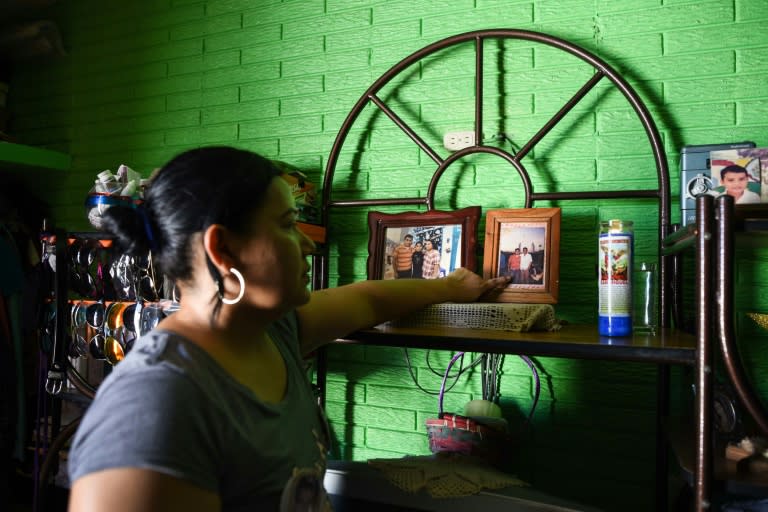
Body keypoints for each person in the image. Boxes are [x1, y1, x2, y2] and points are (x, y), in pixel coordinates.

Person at [66, 146, 510, 512]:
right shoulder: (155, 404)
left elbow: (368, 298)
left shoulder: (272, 333)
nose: (309, 244)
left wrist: (452, 285)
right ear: (223, 248)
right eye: (287, 225)